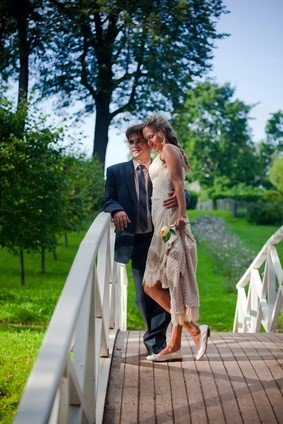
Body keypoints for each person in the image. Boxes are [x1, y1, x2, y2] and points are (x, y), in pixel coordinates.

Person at [102, 124, 190, 356]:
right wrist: (116, 209)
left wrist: (181, 199)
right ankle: (186, 330)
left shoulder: (161, 164)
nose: (135, 145)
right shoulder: (115, 171)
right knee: (143, 295)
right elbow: (108, 199)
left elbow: (180, 186)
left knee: (164, 288)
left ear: (149, 143)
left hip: (162, 237)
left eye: (139, 140)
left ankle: (156, 340)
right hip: (137, 240)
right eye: (131, 142)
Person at [142, 114, 210, 362]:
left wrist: (181, 215)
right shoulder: (158, 153)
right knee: (158, 286)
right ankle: (178, 341)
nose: (150, 141)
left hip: (170, 222)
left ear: (162, 131)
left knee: (162, 284)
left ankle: (189, 333)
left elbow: (178, 185)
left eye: (151, 136)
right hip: (159, 221)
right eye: (146, 138)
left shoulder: (169, 149)